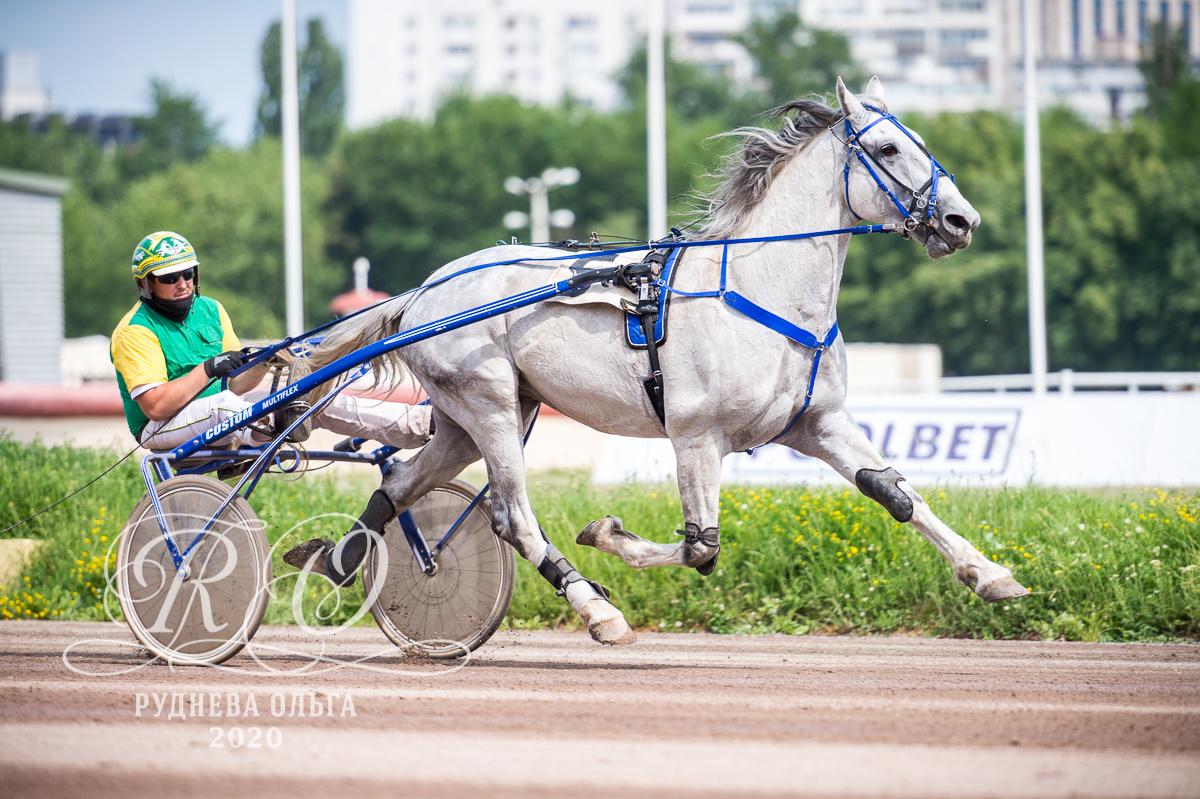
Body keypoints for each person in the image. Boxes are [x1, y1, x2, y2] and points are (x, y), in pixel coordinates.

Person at [110, 230, 431, 452]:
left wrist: (265, 360)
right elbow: (156, 407)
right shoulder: (135, 331)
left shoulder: (210, 310)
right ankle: (276, 423)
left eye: (188, 274)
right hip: (162, 429)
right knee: (224, 406)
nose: (183, 283)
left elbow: (236, 386)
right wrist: (208, 369)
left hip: (224, 414)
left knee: (313, 396)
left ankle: (420, 424)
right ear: (146, 284)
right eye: (169, 278)